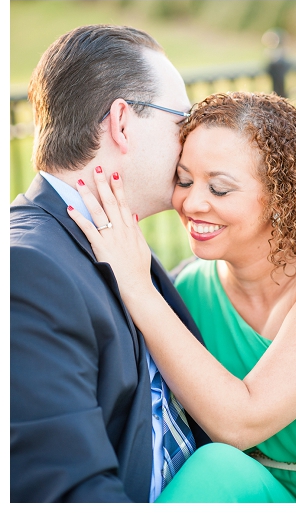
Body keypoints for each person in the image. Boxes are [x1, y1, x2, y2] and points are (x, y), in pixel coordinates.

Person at [67, 91, 296, 503]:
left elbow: (241, 422)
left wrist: (138, 288)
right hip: (248, 490)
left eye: (219, 188)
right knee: (217, 465)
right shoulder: (189, 293)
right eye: (183, 180)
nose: (193, 203)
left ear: (281, 196)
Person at [10, 25, 210, 502]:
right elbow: (70, 491)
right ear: (122, 122)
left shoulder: (112, 235)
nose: (190, 142)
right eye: (181, 121)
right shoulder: (27, 272)